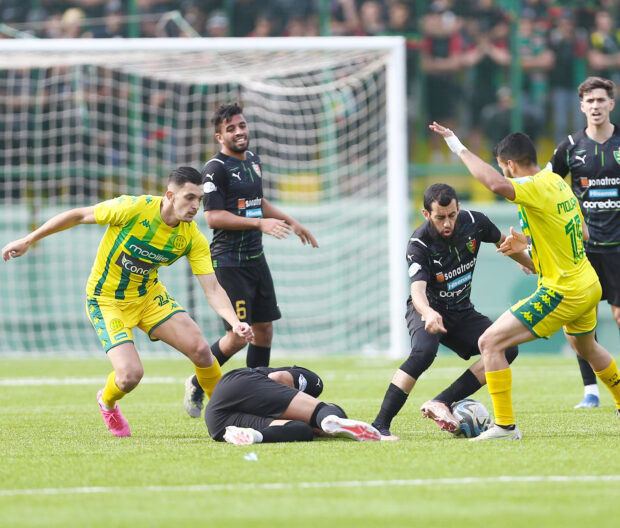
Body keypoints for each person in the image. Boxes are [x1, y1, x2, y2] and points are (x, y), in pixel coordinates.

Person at [430, 123, 620, 441]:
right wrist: (529, 249)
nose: (505, 174)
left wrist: (457, 146)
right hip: (588, 282)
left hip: (564, 290)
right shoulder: (556, 182)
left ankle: (505, 426)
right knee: (586, 345)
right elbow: (583, 232)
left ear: (510, 165)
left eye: (504, 168)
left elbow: (494, 184)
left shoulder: (531, 185)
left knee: (490, 343)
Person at [2, 167, 253, 437]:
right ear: (170, 195)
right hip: (106, 300)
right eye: (189, 198)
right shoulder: (132, 208)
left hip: (148, 298)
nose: (195, 206)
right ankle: (107, 401)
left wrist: (235, 322)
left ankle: (223, 415)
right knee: (130, 376)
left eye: (199, 200)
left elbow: (213, 288)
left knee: (201, 350)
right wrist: (29, 239)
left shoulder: (191, 237)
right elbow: (78, 215)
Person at [183, 102, 318, 418]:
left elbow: (259, 201)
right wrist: (259, 223)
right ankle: (197, 380)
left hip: (256, 260)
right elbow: (214, 216)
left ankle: (261, 396)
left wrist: (291, 221)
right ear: (220, 136)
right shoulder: (214, 169)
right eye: (231, 128)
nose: (239, 132)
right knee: (238, 336)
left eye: (242, 125)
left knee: (265, 331)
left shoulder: (254, 161)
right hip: (229, 263)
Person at [370, 183, 531, 440]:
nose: (447, 223)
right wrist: (428, 313)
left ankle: (442, 401)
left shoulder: (475, 223)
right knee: (424, 353)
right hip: (428, 310)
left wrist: (533, 265)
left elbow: (505, 243)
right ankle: (379, 425)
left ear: (459, 209)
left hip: (462, 311)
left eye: (452, 215)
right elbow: (417, 292)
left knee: (506, 348)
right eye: (440, 217)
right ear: (426, 214)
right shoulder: (418, 244)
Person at [547, 76, 620, 409]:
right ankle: (590, 391)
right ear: (581, 106)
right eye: (589, 101)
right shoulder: (569, 147)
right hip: (582, 249)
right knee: (581, 321)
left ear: (611, 104)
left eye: (601, 100)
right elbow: (547, 189)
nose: (595, 106)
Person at [206, 365, 380, 444]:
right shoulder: (311, 381)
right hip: (238, 385)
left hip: (219, 424)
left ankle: (253, 436)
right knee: (319, 412)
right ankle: (328, 417)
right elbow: (277, 378)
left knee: (300, 430)